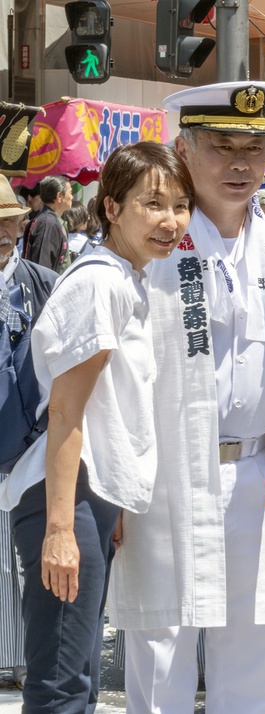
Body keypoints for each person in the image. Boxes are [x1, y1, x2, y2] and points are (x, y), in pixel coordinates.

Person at [106, 82, 265, 714]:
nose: (241, 163)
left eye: (254, 148)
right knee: (161, 647)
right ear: (184, 150)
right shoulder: (149, 242)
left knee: (252, 648)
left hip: (260, 472)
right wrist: (113, 484)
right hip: (164, 474)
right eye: (223, 146)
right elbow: (111, 376)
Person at [1, 142, 193, 712]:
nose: (170, 221)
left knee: (78, 674)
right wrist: (62, 528)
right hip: (65, 495)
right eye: (152, 204)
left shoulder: (125, 277)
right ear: (111, 208)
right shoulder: (100, 284)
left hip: (87, 495)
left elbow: (110, 408)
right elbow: (66, 412)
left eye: (180, 205)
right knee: (61, 681)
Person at [0, 174, 58, 692]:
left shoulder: (43, 282)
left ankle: (24, 660)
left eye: (9, 221)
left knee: (28, 559)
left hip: (34, 444)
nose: (3, 233)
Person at [23, 175, 72, 272]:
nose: (72, 197)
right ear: (59, 196)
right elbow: (42, 268)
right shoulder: (48, 223)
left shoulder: (50, 220)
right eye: (70, 192)